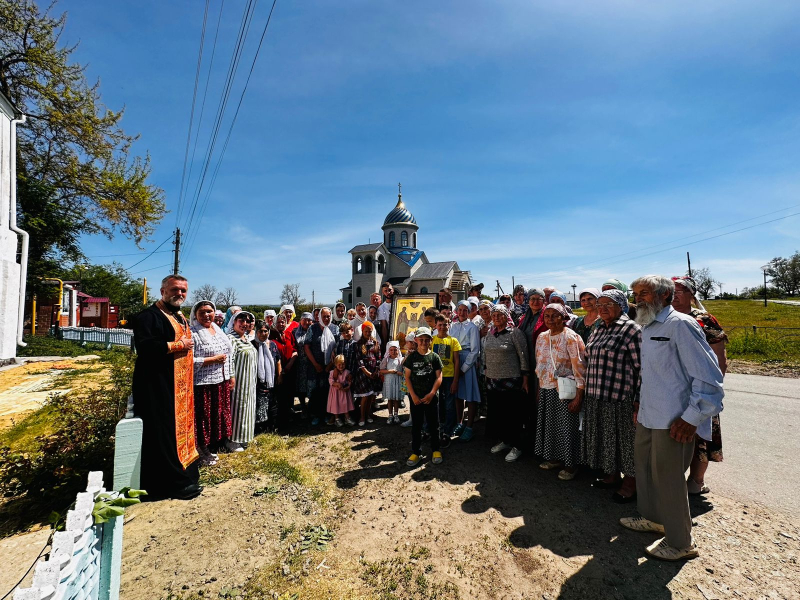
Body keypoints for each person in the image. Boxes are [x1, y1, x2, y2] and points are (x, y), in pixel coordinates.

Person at [620, 275, 723, 561]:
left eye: (645, 293)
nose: (639, 298)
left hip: (675, 420)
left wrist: (691, 418)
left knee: (669, 479)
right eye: (636, 293)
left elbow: (709, 379)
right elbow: (654, 373)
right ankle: (654, 519)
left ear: (665, 296)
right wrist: (640, 402)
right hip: (650, 414)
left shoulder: (681, 325)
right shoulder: (647, 325)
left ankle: (681, 542)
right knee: (646, 469)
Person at [132, 275, 201, 500]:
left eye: (183, 291)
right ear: (163, 291)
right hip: (157, 385)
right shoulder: (149, 316)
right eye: (175, 290)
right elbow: (145, 346)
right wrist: (178, 345)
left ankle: (186, 476)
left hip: (179, 385)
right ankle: (170, 484)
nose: (179, 294)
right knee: (163, 431)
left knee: (178, 430)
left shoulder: (177, 315)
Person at [582, 290, 642, 502]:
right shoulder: (598, 329)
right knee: (607, 439)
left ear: (621, 305)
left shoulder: (632, 330)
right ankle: (612, 474)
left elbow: (642, 368)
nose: (603, 308)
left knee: (626, 442)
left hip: (620, 397)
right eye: (600, 305)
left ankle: (631, 482)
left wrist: (638, 399)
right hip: (597, 395)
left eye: (608, 304)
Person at [671, 276, 727, 496]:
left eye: (680, 290)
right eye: (671, 291)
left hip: (700, 388)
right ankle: (672, 481)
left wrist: (711, 390)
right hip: (672, 389)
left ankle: (696, 481)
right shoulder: (664, 318)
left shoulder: (704, 319)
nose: (674, 295)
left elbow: (719, 359)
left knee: (700, 436)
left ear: (691, 295)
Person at [535, 303, 586, 480]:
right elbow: (539, 365)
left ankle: (571, 465)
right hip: (546, 388)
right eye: (546, 316)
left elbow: (579, 367)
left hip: (565, 390)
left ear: (563, 317)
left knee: (567, 428)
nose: (550, 319)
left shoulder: (570, 337)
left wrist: (579, 396)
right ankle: (555, 458)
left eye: (554, 315)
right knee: (551, 426)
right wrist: (540, 388)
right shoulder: (541, 337)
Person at [483, 304, 530, 463]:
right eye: (494, 314)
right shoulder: (490, 333)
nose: (496, 317)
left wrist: (525, 378)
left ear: (506, 316)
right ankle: (505, 441)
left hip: (511, 380)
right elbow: (486, 355)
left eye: (500, 315)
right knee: (499, 414)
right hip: (493, 380)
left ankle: (517, 446)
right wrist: (486, 372)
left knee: (513, 414)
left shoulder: (515, 333)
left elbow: (523, 357)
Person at [190, 300, 234, 466]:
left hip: (220, 381)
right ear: (195, 314)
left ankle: (208, 447)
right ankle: (200, 450)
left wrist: (230, 375)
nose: (207, 315)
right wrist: (211, 360)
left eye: (210, 311)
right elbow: (187, 361)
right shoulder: (193, 332)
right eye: (202, 312)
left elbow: (228, 354)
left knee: (215, 415)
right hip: (203, 383)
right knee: (203, 417)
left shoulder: (217, 329)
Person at [404, 326, 444, 467]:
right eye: (421, 339)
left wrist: (432, 393)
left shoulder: (434, 357)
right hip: (416, 398)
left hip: (431, 398)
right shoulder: (411, 358)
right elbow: (407, 377)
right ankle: (416, 452)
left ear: (431, 341)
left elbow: (439, 377)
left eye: (427, 340)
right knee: (417, 425)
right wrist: (413, 395)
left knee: (434, 425)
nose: (423, 342)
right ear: (416, 340)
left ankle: (436, 449)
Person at [449, 300, 481, 442]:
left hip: (467, 360)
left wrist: (464, 368)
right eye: (460, 309)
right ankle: (459, 422)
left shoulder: (472, 327)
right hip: (455, 359)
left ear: (469, 312)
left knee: (470, 394)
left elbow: (475, 351)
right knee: (458, 394)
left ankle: (469, 426)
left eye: (465, 310)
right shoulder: (453, 326)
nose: (462, 312)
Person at [227, 311, 258, 452]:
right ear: (233, 321)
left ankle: (244, 437)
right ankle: (232, 440)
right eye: (241, 320)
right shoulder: (231, 339)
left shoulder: (246, 339)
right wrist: (231, 377)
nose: (244, 324)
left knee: (247, 409)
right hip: (238, 382)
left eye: (247, 321)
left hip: (249, 382)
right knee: (237, 409)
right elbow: (229, 360)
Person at [432, 314, 462, 443]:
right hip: (435, 377)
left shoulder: (453, 341)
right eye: (440, 325)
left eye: (445, 324)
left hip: (449, 377)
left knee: (450, 405)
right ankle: (436, 428)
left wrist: (455, 381)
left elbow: (456, 361)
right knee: (436, 404)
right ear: (435, 326)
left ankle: (448, 431)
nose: (443, 327)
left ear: (449, 325)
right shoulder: (432, 341)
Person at [305, 307, 336, 426]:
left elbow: (336, 347)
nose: (326, 319)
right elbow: (307, 347)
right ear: (319, 317)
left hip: (330, 367)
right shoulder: (313, 328)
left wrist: (330, 365)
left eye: (328, 316)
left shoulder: (335, 328)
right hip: (315, 367)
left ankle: (328, 414)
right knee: (315, 391)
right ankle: (316, 415)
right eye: (324, 316)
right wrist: (316, 364)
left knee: (328, 391)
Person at [253, 319, 281, 433]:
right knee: (260, 406)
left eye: (265, 331)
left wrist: (280, 375)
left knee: (273, 405)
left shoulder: (273, 344)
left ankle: (272, 427)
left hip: (272, 380)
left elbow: (278, 360)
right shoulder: (252, 345)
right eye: (260, 331)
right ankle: (261, 429)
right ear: (256, 332)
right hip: (258, 382)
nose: (263, 334)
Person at [353, 321, 382, 426]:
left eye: (370, 331)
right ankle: (362, 417)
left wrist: (376, 370)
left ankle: (368, 414)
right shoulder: (358, 344)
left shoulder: (375, 343)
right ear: (362, 331)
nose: (368, 333)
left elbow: (378, 357)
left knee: (370, 396)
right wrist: (367, 372)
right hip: (363, 373)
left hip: (373, 371)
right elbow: (359, 360)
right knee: (365, 396)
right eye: (366, 331)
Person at [272, 314, 298, 427]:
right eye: (278, 322)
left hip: (290, 370)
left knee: (289, 394)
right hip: (276, 372)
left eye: (283, 322)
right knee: (279, 395)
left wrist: (290, 364)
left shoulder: (289, 334)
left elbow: (295, 350)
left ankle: (289, 417)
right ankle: (279, 420)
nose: (281, 324)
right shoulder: (271, 336)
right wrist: (280, 371)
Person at [293, 312, 314, 418]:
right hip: (300, 363)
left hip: (312, 363)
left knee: (311, 385)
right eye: (304, 319)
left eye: (309, 320)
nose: (307, 322)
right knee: (301, 387)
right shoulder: (294, 332)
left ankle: (311, 407)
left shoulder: (314, 331)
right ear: (300, 320)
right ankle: (303, 407)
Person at [328, 354, 355, 426]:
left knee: (345, 404)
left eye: (343, 364)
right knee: (336, 404)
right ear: (336, 364)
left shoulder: (347, 372)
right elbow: (330, 381)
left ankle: (347, 418)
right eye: (339, 364)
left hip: (344, 392)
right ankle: (337, 419)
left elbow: (349, 381)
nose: (341, 366)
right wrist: (336, 384)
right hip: (336, 392)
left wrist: (348, 386)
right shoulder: (332, 372)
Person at [380, 341, 404, 423]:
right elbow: (381, 370)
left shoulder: (401, 360)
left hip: (397, 382)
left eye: (395, 350)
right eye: (391, 350)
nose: (393, 352)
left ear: (398, 350)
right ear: (388, 351)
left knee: (396, 399)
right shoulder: (386, 359)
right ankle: (390, 415)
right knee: (390, 399)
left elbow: (404, 370)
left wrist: (400, 373)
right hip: (389, 382)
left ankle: (396, 414)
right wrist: (389, 371)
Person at [400, 332, 417, 428]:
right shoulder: (408, 353)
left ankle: (415, 420)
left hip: (415, 381)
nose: (406, 344)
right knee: (411, 400)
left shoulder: (418, 353)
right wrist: (407, 356)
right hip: (409, 380)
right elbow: (402, 363)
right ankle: (412, 419)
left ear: (413, 343)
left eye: (408, 342)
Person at [377, 282, 394, 353]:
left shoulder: (400, 303)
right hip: (390, 336)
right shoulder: (381, 308)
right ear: (383, 292)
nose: (388, 292)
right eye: (385, 291)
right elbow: (384, 327)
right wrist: (385, 343)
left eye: (389, 290)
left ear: (393, 290)